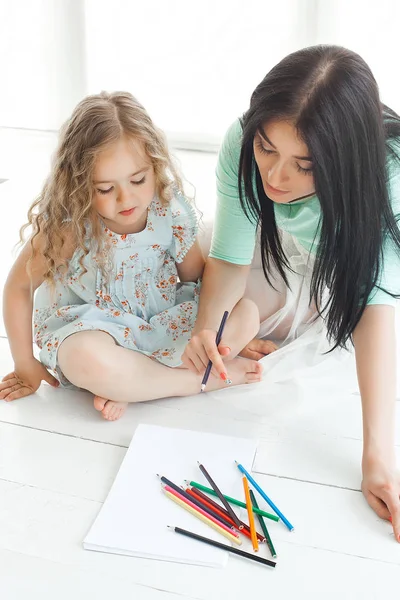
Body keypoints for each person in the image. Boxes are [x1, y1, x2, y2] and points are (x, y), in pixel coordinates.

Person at [182, 46, 400, 539]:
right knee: (196, 275)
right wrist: (207, 327)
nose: (275, 178)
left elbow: (374, 306)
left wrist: (378, 456)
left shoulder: (389, 179)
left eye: (305, 166)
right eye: (267, 149)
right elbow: (230, 256)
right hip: (288, 245)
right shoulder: (243, 138)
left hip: (362, 259)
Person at [0, 91, 264, 422]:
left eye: (138, 180)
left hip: (160, 324)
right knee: (83, 358)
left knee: (246, 311)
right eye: (105, 189)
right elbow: (18, 287)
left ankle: (134, 386)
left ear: (155, 167)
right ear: (79, 186)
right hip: (98, 331)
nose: (126, 198)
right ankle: (194, 381)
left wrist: (222, 331)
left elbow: (197, 276)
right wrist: (24, 361)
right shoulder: (71, 226)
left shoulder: (169, 211)